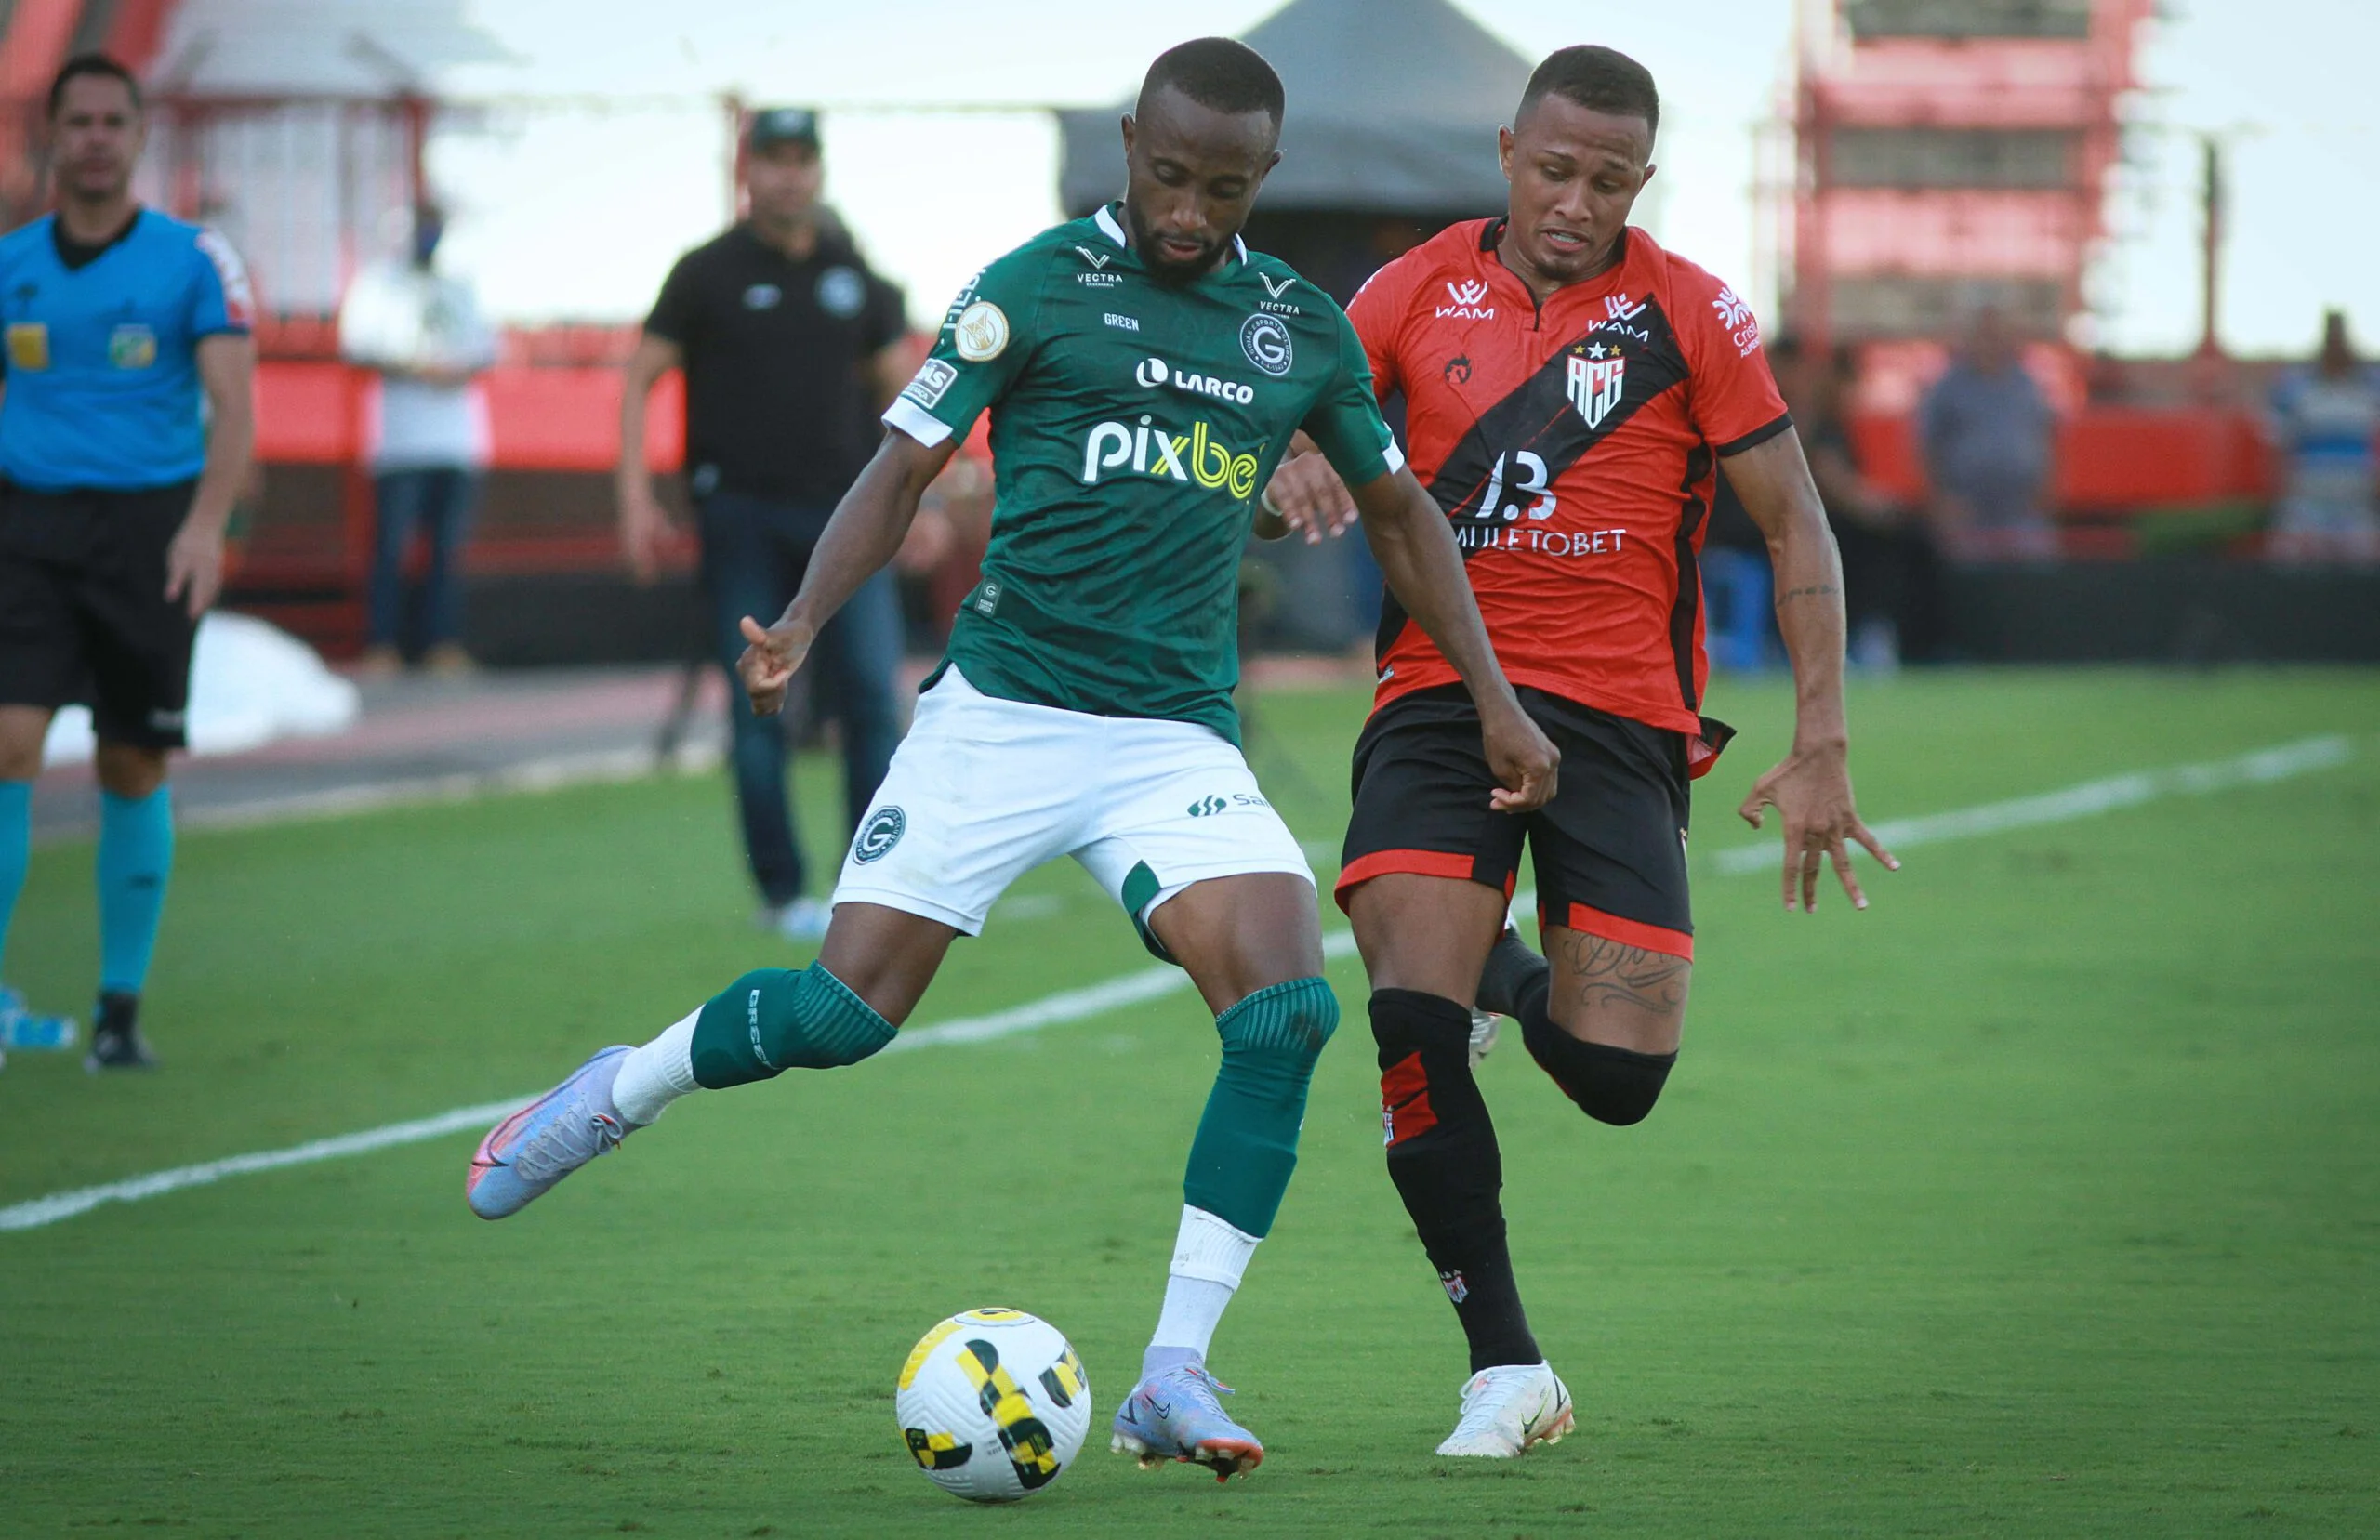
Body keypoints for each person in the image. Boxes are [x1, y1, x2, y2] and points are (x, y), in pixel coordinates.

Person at [466, 38, 1557, 1483]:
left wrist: (1493, 695)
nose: (1187, 211)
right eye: (1167, 176)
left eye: (1221, 188)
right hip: (1003, 714)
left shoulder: (1295, 325)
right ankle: (624, 1088)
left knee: (1286, 1011)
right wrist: (801, 617)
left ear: (1265, 179)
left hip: (1172, 734)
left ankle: (1174, 1368)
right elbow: (903, 464)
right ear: (1127, 145)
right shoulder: (1032, 285)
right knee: (845, 1016)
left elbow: (1404, 513)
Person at [1265, 44, 1896, 1458]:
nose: (1575, 201)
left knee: (1617, 1079)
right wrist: (1289, 460)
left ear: (1643, 182)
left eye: (1607, 181)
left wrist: (1823, 739)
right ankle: (1507, 1369)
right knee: (1410, 1033)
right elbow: (1285, 432)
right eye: (1554, 170)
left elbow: (1798, 526)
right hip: (1441, 692)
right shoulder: (1410, 291)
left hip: (1618, 717)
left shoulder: (1693, 313)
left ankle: (1498, 964)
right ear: (1504, 152)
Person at [0, 53, 257, 1068]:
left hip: (151, 532)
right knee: (9, 741)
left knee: (130, 758)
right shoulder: (12, 263)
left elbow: (234, 405)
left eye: (114, 121)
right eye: (80, 122)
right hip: (27, 528)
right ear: (52, 138)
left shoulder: (195, 260)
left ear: (139, 136)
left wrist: (204, 527)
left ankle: (118, 1010)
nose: (96, 139)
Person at [619, 107, 911, 942]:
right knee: (758, 701)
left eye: (801, 159)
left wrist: (922, 499)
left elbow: (906, 398)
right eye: (772, 159)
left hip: (847, 521)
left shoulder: (853, 275)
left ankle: (870, 883)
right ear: (748, 171)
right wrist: (635, 496)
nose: (788, 174)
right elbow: (640, 378)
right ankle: (781, 890)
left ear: (820, 169)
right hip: (740, 513)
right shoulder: (705, 272)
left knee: (869, 700)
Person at [337, 201, 498, 676]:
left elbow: (486, 349)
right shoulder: (378, 284)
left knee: (447, 551)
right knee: (390, 548)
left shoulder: (459, 286)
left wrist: (452, 369)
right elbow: (358, 348)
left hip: (456, 443)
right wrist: (416, 367)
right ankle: (382, 645)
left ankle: (441, 644)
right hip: (399, 444)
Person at [1918, 305, 2057, 560]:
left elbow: (2047, 439)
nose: (1991, 342)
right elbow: (1927, 446)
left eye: (1998, 335)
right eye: (1985, 335)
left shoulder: (2027, 386)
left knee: (2033, 578)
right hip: (1967, 512)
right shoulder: (1947, 388)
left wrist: (2046, 492)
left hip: (2020, 512)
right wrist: (1941, 499)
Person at [2266, 310, 2380, 563]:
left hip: (2357, 505)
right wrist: (2278, 494)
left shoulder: (2371, 385)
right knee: (2290, 563)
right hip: (2306, 503)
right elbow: (2278, 446)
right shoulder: (2295, 386)